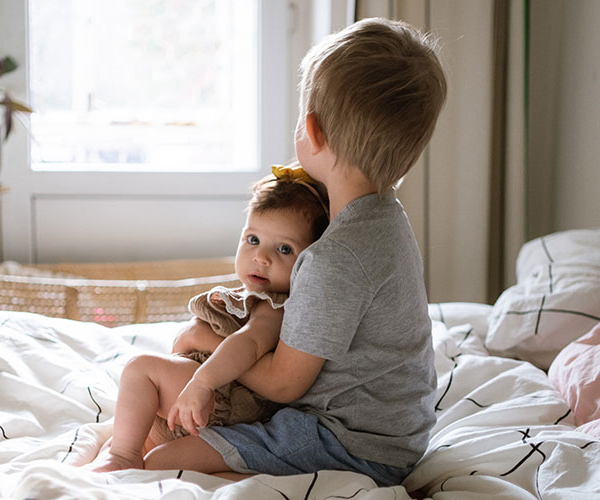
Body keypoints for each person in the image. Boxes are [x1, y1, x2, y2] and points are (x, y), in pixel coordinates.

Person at [144, 17, 447, 487]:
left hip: (348, 440)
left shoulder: (336, 259)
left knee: (158, 463)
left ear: (312, 130)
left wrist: (209, 342)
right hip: (396, 431)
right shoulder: (385, 215)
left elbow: (286, 383)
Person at [90, 163, 329, 472]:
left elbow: (250, 343)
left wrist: (202, 382)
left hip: (223, 394)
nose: (261, 257)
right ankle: (124, 451)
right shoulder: (253, 297)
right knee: (141, 424)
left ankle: (121, 457)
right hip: (212, 388)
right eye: (253, 240)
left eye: (284, 248)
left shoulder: (275, 306)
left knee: (141, 370)